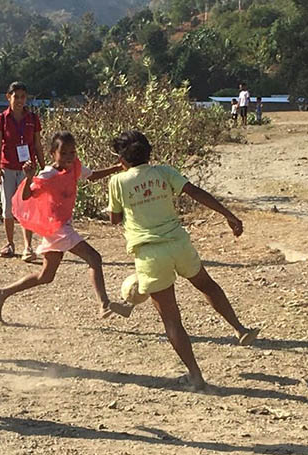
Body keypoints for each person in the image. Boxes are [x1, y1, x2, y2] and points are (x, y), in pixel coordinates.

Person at [107, 130, 260, 390]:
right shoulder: (164, 172)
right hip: (179, 243)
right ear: (148, 152)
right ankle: (239, 328)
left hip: (150, 253)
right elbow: (195, 192)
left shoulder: (117, 182)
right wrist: (228, 214)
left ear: (121, 158)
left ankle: (195, 375)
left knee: (171, 319)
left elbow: (114, 219)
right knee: (206, 285)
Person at [0, 131, 133, 322]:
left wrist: (118, 168)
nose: (69, 157)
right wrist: (29, 178)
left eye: (72, 153)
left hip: (59, 227)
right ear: (53, 153)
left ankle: (2, 293)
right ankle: (104, 305)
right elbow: (27, 195)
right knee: (94, 258)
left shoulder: (74, 167)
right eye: (64, 153)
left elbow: (92, 176)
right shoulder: (48, 173)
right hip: (58, 228)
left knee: (46, 276)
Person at [0, 81, 44, 262]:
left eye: (23, 96)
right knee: (8, 208)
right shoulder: (1, 118)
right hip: (7, 167)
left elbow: (37, 145)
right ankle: (9, 243)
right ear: (9, 97)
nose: (20, 100)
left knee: (26, 208)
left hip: (27, 170)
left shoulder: (32, 119)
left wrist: (43, 169)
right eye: (16, 96)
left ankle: (28, 246)